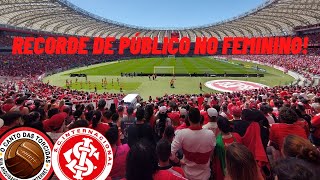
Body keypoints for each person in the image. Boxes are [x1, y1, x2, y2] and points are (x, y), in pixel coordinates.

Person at [171, 108, 215, 180]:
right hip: (205, 175)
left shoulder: (182, 134)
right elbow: (211, 153)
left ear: (188, 119)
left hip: (188, 174)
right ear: (200, 118)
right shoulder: (210, 134)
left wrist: (178, 161)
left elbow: (170, 153)